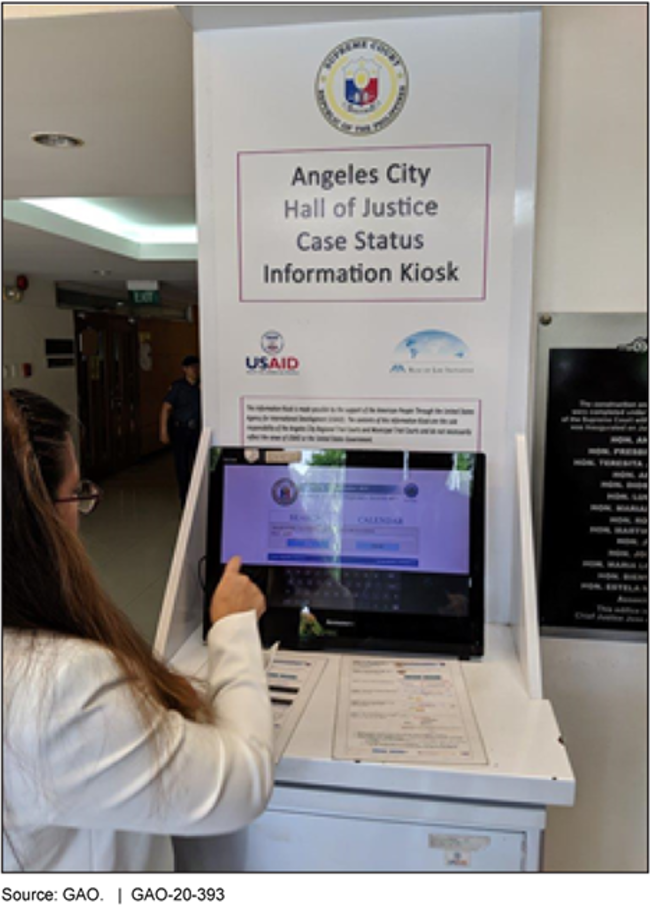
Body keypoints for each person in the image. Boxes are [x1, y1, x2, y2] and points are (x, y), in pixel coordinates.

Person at [2, 388, 273, 872]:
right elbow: (243, 783)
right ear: (38, 517)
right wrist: (232, 628)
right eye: (77, 492)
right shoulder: (61, 685)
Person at [160, 355, 201, 506]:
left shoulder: (202, 386)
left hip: (198, 430)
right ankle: (185, 499)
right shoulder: (177, 387)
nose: (195, 370)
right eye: (191, 367)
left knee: (199, 464)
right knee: (182, 466)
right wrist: (163, 431)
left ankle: (198, 497)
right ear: (184, 370)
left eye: (196, 367)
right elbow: (166, 408)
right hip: (181, 430)